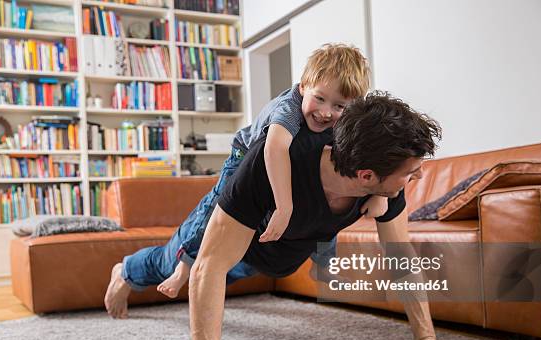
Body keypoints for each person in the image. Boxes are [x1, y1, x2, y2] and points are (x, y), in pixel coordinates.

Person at [181, 93, 477, 340]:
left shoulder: (384, 190)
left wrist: (426, 336)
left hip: (284, 257)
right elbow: (208, 266)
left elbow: (401, 258)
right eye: (409, 172)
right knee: (160, 267)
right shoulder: (269, 164)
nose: (417, 176)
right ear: (366, 176)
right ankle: (123, 273)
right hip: (242, 248)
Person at [152, 43, 387, 299]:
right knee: (214, 210)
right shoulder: (288, 109)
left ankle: (325, 265)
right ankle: (184, 266)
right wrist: (284, 207)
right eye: (319, 98)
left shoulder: (343, 121)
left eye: (339, 106)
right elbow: (275, 149)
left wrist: (380, 193)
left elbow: (377, 154)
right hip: (246, 159)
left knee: (327, 209)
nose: (325, 112)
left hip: (295, 164)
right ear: (303, 87)